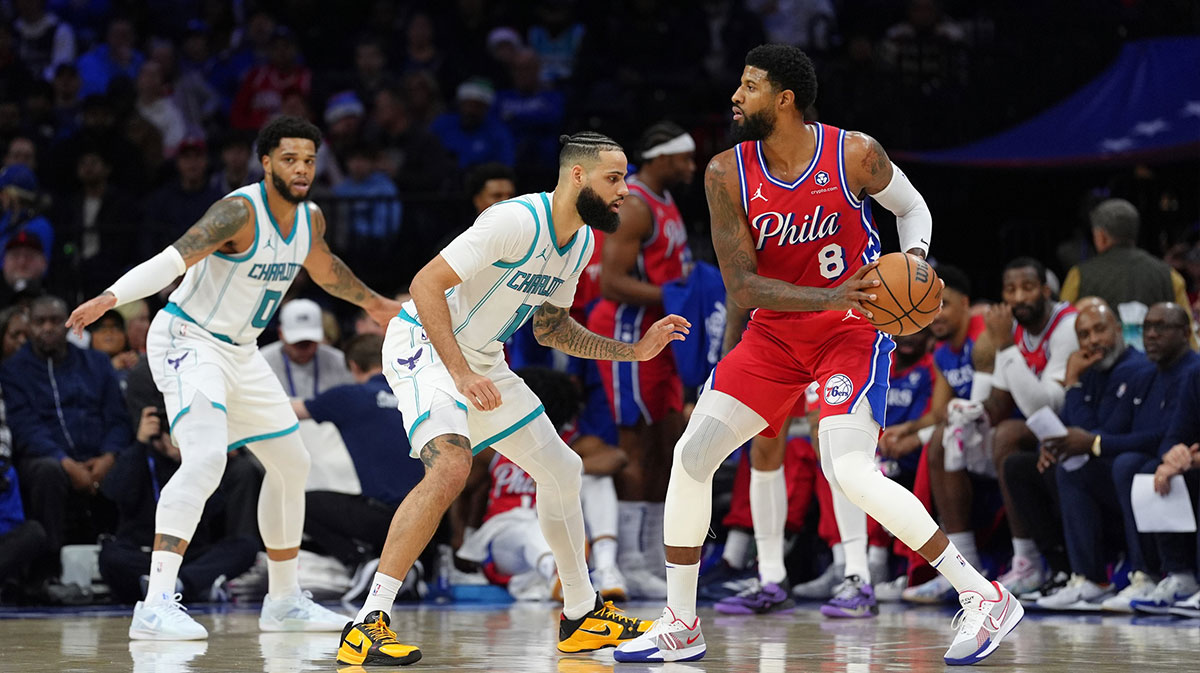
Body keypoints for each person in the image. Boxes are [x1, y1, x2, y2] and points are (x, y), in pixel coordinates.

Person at [615, 45, 1021, 666]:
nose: (735, 96)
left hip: (851, 332)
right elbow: (742, 287)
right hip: (776, 334)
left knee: (849, 470)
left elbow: (912, 209)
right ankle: (681, 623)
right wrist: (825, 293)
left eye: (749, 87)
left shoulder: (853, 152)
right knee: (691, 456)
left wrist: (912, 261)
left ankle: (983, 594)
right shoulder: (726, 172)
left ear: (784, 99)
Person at [336, 132, 689, 666]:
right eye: (614, 179)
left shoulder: (583, 244)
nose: (624, 192)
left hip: (482, 360)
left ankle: (580, 615)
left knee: (563, 469)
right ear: (577, 176)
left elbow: (551, 329)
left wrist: (634, 351)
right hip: (426, 345)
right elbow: (425, 285)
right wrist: (458, 372)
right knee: (452, 466)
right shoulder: (515, 221)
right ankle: (367, 622)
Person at [64, 115, 403, 641]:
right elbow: (171, 260)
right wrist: (113, 297)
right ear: (265, 162)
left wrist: (377, 304)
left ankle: (285, 601)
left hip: (241, 352)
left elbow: (327, 268)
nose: (301, 169)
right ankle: (154, 605)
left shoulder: (310, 219)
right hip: (188, 338)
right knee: (206, 459)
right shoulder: (238, 212)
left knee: (293, 462)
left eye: (310, 160)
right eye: (289, 158)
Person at [587, 121, 695, 597]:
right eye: (683, 159)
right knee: (635, 443)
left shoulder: (667, 203)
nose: (690, 167)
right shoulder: (633, 207)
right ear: (661, 158)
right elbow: (610, 282)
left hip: (663, 331)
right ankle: (626, 560)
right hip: (631, 331)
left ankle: (652, 556)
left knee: (667, 441)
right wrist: (676, 297)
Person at [0, 295, 131, 572]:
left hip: (100, 456)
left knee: (133, 460)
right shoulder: (13, 370)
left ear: (69, 324)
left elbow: (118, 418)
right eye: (39, 322)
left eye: (55, 321)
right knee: (46, 471)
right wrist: (65, 462)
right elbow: (24, 427)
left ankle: (132, 560)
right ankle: (50, 570)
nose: (47, 327)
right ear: (30, 326)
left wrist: (108, 457)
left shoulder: (96, 363)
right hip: (50, 459)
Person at [290, 333, 423, 593]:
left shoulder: (349, 396)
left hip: (381, 519)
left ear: (353, 366)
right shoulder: (417, 397)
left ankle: (359, 562)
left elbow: (288, 412)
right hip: (428, 519)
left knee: (300, 503)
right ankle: (415, 564)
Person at [260, 299, 353, 399]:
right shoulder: (262, 363)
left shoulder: (339, 362)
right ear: (281, 333)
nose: (304, 349)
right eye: (297, 343)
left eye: (309, 342)